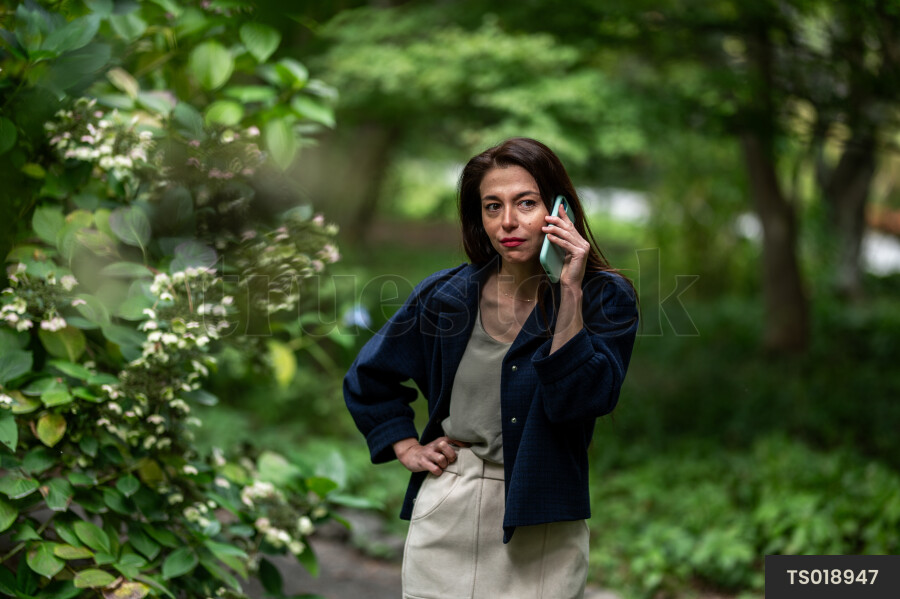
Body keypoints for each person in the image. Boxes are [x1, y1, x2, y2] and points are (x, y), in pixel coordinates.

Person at [343, 137, 639, 599]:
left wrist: (570, 292)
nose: (508, 222)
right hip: (449, 504)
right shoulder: (445, 296)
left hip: (543, 519)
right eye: (491, 206)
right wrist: (405, 445)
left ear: (559, 210)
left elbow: (581, 401)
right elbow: (370, 377)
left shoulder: (604, 298)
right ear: (478, 219)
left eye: (526, 203)